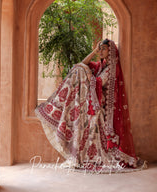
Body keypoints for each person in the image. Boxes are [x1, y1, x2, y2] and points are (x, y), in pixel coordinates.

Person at [35, 39, 148, 174]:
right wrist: (94, 52)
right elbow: (82, 63)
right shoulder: (101, 65)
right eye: (99, 49)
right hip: (93, 98)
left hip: (101, 104)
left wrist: (88, 74)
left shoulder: (112, 69)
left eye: (103, 49)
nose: (101, 51)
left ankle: (59, 109)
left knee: (80, 72)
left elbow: (98, 82)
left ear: (110, 51)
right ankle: (59, 108)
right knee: (78, 69)